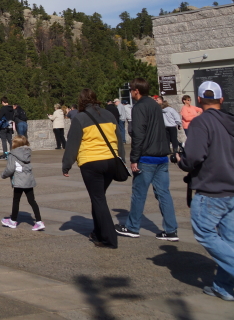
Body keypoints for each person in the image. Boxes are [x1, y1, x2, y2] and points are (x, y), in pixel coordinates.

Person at [175, 81, 234, 303]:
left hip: (211, 190)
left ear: (199, 100)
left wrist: (181, 161)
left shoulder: (200, 123)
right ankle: (223, 287)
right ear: (222, 100)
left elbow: (194, 156)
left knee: (205, 232)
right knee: (231, 239)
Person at [113, 79, 178, 241]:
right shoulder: (156, 106)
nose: (131, 92)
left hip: (147, 157)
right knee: (164, 194)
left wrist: (134, 158)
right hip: (161, 156)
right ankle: (171, 230)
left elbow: (138, 134)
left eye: (131, 90)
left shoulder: (139, 107)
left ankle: (132, 227)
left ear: (136, 91)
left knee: (139, 194)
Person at [62, 89, 124, 249]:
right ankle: (97, 232)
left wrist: (66, 164)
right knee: (98, 197)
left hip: (91, 163)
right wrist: (120, 159)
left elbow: (72, 143)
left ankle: (110, 238)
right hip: (111, 161)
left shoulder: (80, 118)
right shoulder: (109, 115)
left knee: (98, 199)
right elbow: (119, 139)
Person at [1, 135, 44, 230]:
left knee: (16, 200)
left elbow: (10, 169)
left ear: (16, 144)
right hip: (28, 179)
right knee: (32, 200)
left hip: (19, 180)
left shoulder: (13, 154)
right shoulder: (27, 152)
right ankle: (39, 221)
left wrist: (3, 175)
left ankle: (12, 221)